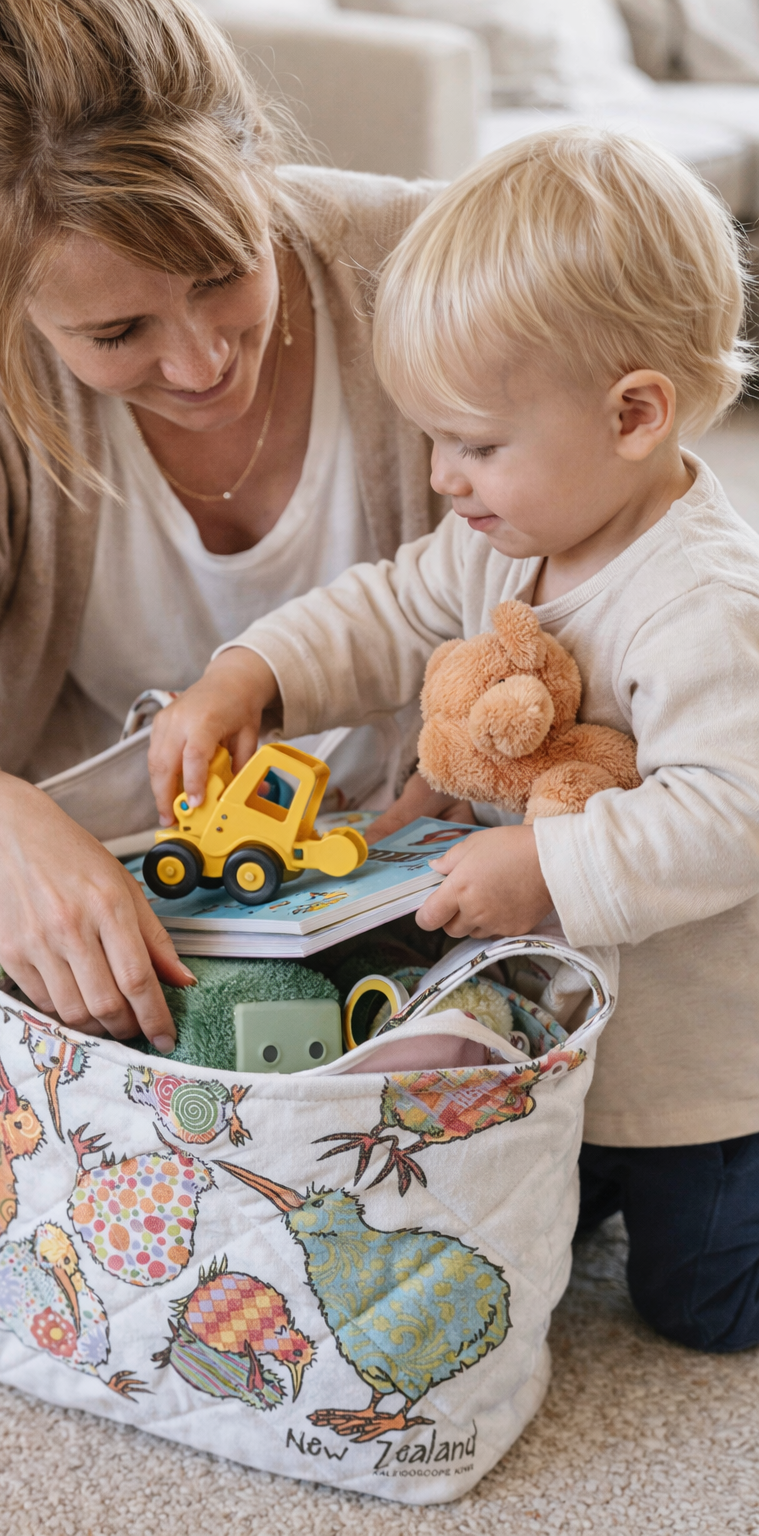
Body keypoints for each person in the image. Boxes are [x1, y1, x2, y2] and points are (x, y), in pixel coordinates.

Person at [0, 0, 443, 1197]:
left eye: (224, 274)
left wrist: (442, 814)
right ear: (3, 294)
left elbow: (609, 560)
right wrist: (15, 843)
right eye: (118, 332)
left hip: (390, 835)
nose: (202, 361)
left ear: (252, 154)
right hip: (61, 816)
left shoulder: (418, 264)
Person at [149, 127, 759, 1353]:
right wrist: (250, 672)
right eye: (431, 438)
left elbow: (732, 812)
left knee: (702, 1305)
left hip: (708, 1072)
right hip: (558, 1035)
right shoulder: (502, 536)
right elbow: (386, 607)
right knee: (502, 1218)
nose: (441, 477)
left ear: (634, 413)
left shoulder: (704, 604)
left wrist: (548, 867)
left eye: (475, 444)